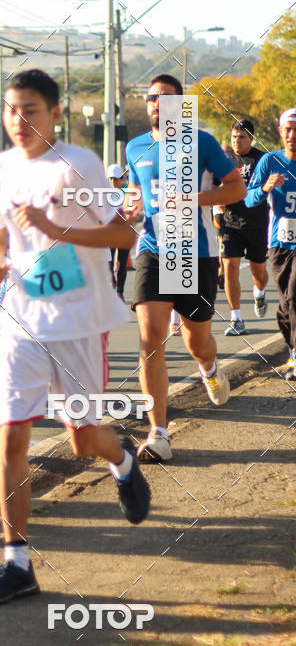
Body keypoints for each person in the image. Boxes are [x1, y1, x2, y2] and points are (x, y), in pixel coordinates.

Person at [0, 69, 150, 606]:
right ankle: (16, 561)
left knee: (81, 440)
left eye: (29, 109)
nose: (18, 120)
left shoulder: (80, 163)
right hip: (22, 322)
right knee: (10, 438)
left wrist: (57, 231)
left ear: (54, 113)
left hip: (77, 320)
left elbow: (124, 232)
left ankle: (120, 457)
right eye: (9, 109)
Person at [125, 75, 246, 463]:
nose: (157, 103)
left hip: (194, 253)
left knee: (197, 341)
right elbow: (137, 194)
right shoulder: (135, 147)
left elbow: (236, 187)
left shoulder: (202, 142)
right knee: (151, 338)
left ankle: (209, 365)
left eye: (166, 98)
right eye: (151, 98)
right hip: (153, 248)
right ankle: (158, 432)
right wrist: (130, 207)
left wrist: (196, 198)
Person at [245, 108, 296, 381]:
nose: (292, 135)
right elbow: (249, 199)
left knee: (295, 293)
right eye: (287, 130)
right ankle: (292, 348)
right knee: (286, 303)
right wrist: (265, 187)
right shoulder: (269, 161)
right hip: (279, 243)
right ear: (280, 132)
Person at [216, 120, 269, 336]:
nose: (237, 141)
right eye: (234, 136)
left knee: (259, 272)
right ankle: (236, 318)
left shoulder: (261, 160)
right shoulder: (225, 160)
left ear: (251, 139)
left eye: (242, 137)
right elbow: (215, 186)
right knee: (229, 268)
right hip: (230, 223)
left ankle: (260, 291)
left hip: (257, 224)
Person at [107, 163, 130, 301]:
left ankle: (120, 292)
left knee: (122, 263)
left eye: (115, 179)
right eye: (110, 179)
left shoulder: (128, 193)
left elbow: (133, 212)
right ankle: (111, 280)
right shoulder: (102, 193)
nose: (113, 182)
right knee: (108, 263)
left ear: (121, 179)